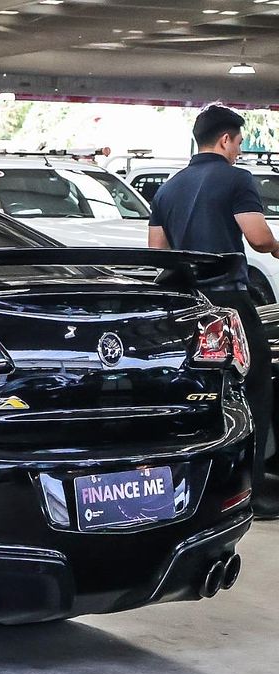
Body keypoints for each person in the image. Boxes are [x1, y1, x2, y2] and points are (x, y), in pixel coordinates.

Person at [148, 103, 279, 519]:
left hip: (186, 308)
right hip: (229, 304)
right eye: (238, 142)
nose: (238, 151)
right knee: (254, 388)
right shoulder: (236, 179)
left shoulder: (168, 188)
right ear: (225, 140)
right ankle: (251, 489)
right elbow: (258, 238)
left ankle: (199, 487)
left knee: (200, 395)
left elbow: (156, 252)